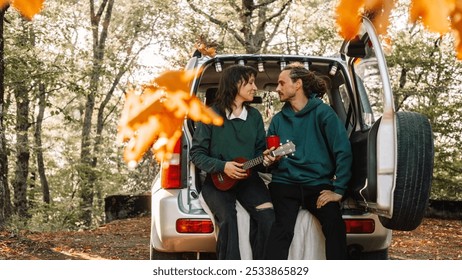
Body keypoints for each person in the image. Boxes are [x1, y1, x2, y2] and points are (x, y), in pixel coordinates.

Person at [264, 62, 353, 260]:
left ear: (298, 84)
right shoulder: (278, 120)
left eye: (281, 83)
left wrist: (338, 190)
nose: (277, 88)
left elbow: (343, 151)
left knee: (334, 225)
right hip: (284, 184)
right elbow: (272, 159)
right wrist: (271, 161)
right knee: (281, 230)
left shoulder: (324, 114)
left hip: (317, 185)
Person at [190, 64, 275, 260]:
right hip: (217, 181)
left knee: (268, 218)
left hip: (249, 179)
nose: (255, 88)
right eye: (251, 83)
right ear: (236, 84)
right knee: (228, 221)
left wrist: (268, 159)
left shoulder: (254, 117)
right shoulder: (210, 115)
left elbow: (259, 155)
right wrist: (223, 166)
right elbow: (197, 153)